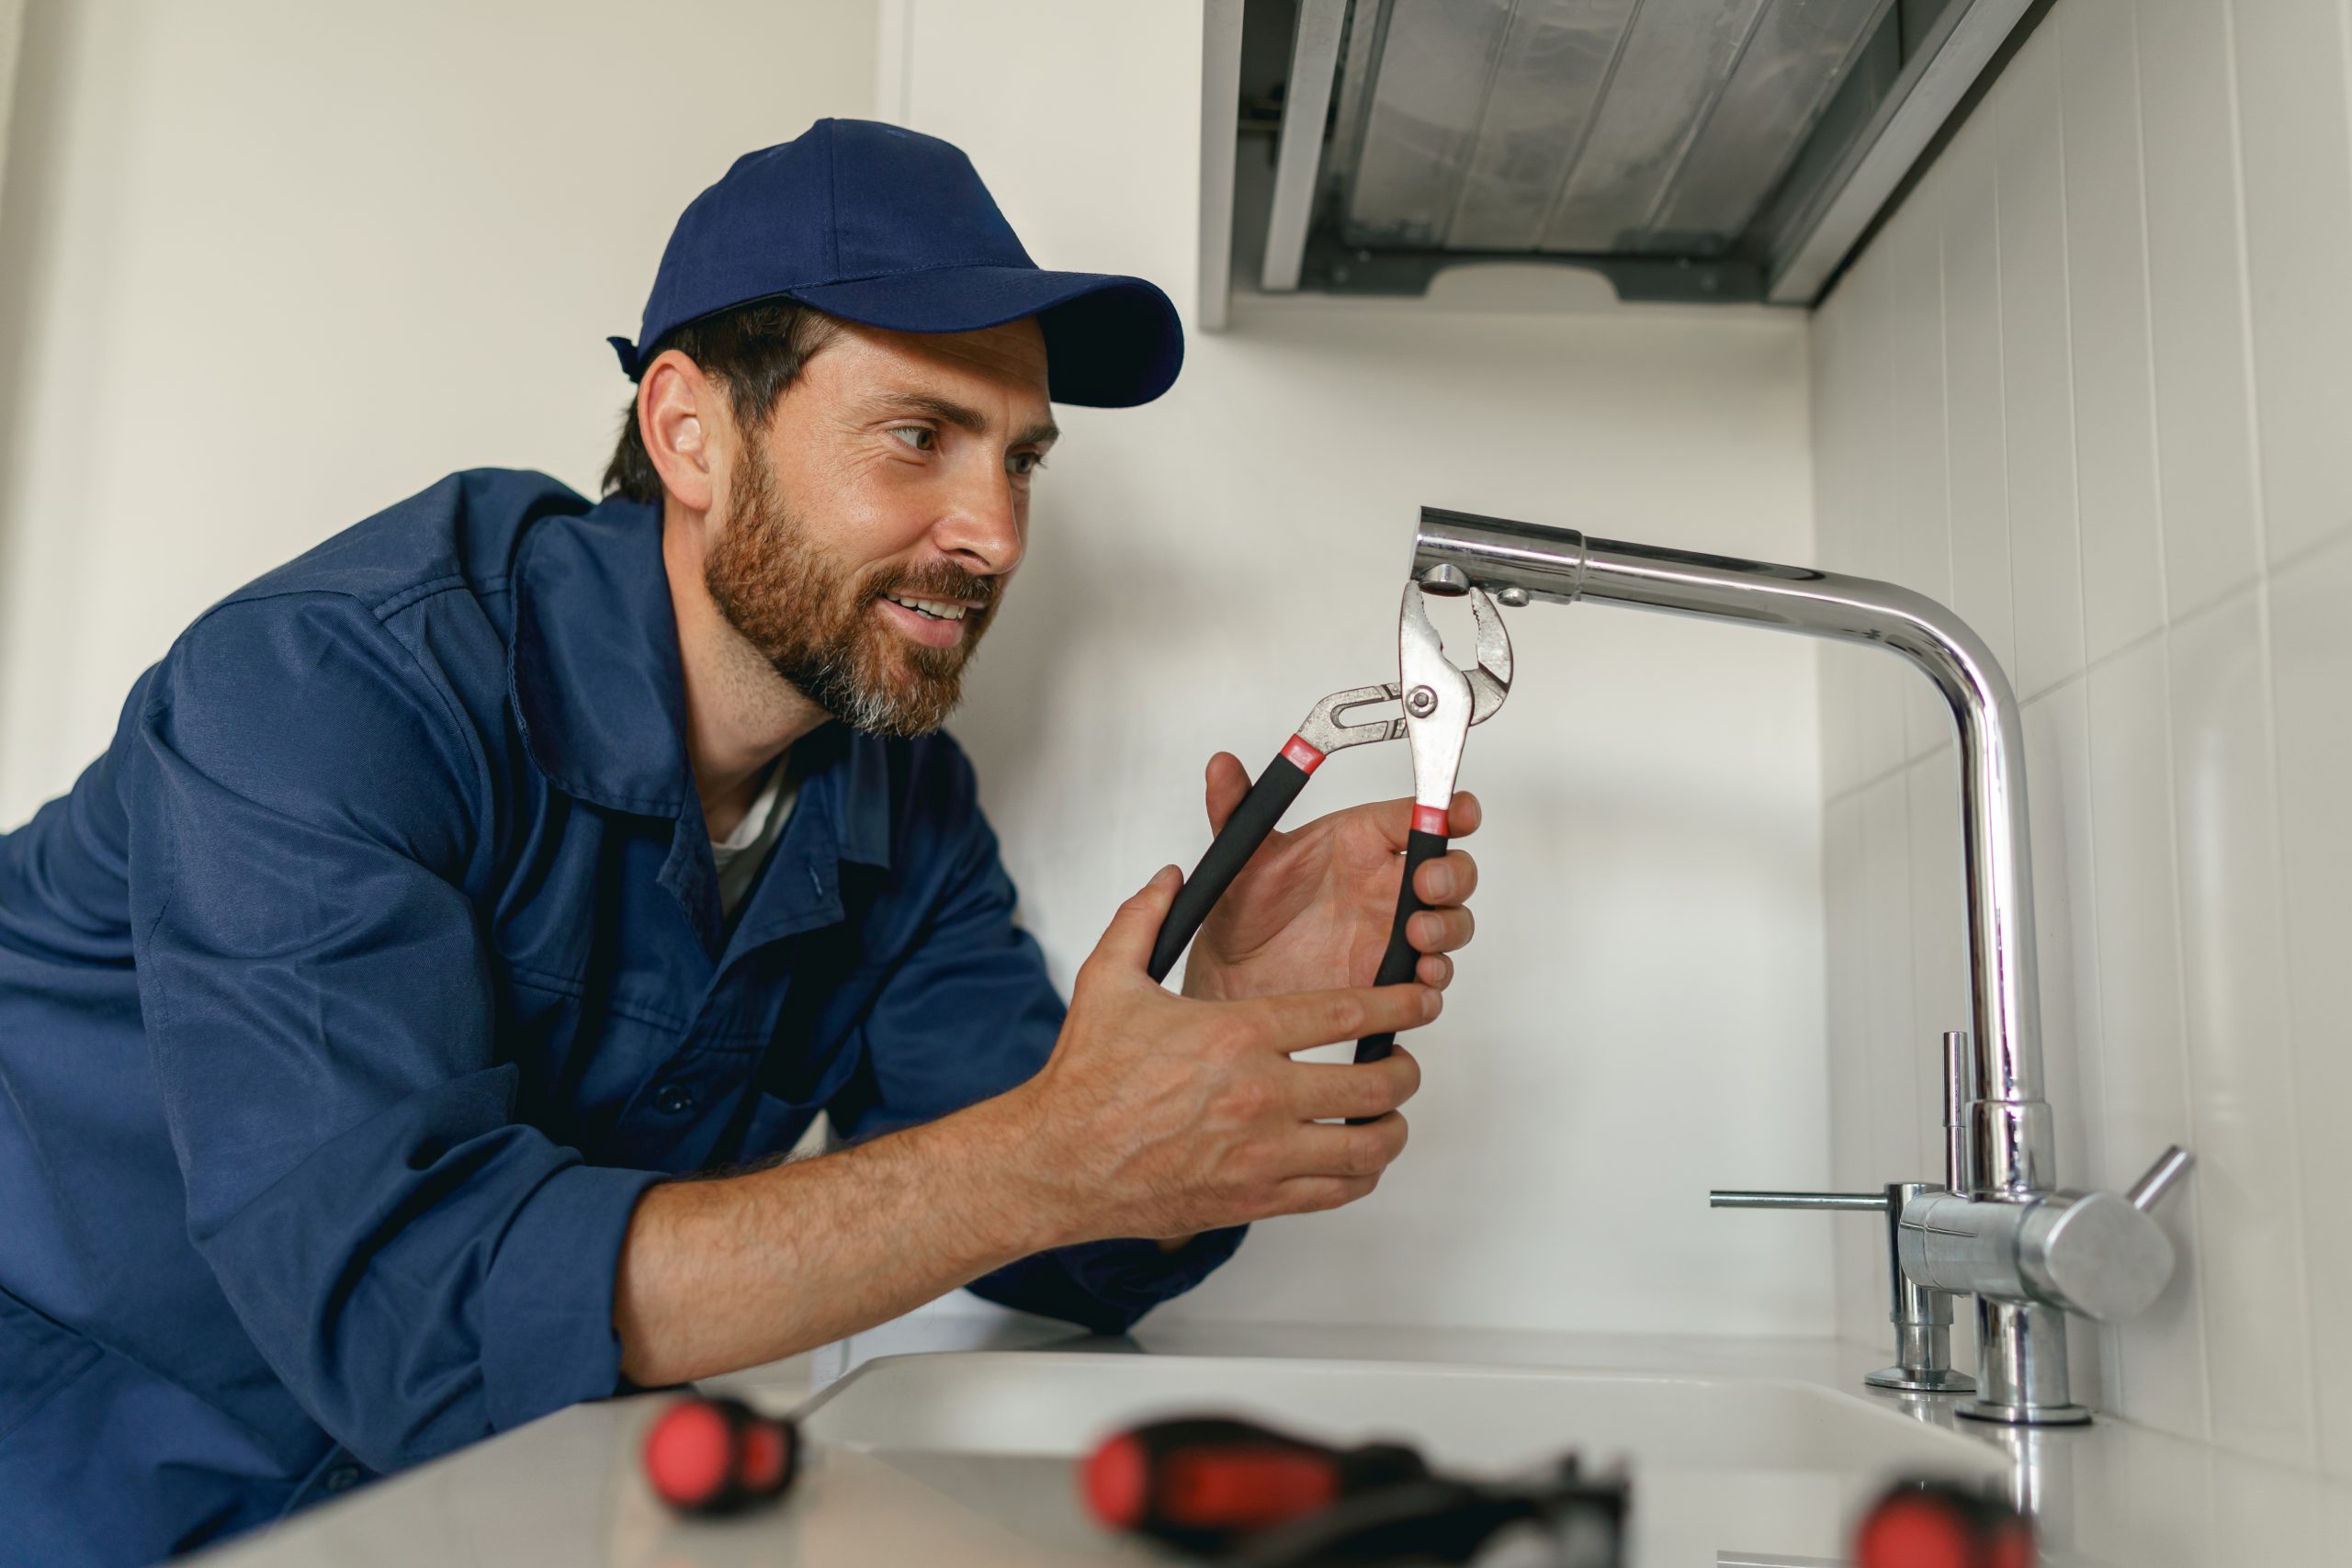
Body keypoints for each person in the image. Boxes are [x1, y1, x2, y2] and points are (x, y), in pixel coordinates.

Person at [0, 119, 1480, 1563]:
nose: (998, 534)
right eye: (920, 436)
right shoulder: (325, 691)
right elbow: (413, 1314)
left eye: (1020, 462)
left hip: (480, 1484)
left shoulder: (903, 806)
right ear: (689, 431)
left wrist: (1213, 1030)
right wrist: (1054, 1156)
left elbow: (1065, 1232)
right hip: (80, 1456)